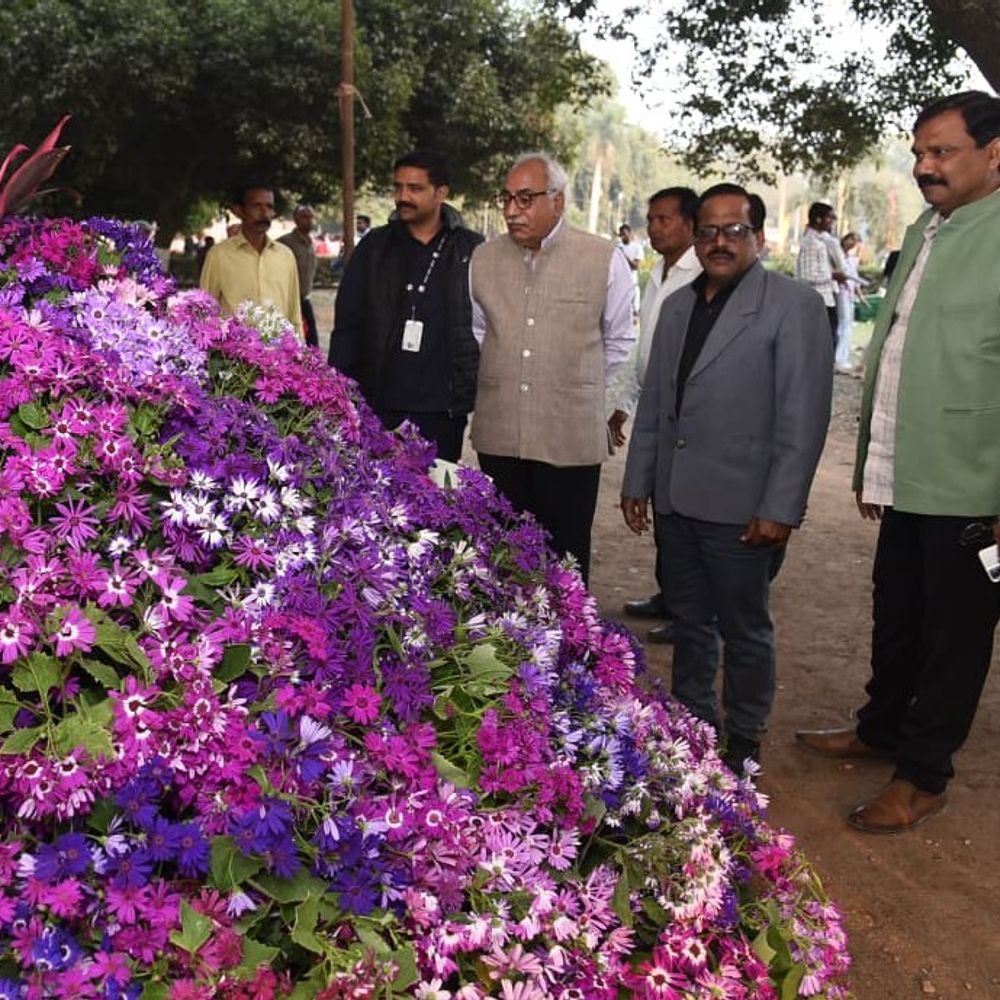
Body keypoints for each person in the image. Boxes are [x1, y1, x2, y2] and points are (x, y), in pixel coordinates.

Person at [796, 91, 1000, 834]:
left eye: (942, 152)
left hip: (974, 484)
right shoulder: (926, 229)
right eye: (919, 153)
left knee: (956, 633)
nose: (925, 167)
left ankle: (923, 776)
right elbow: (902, 349)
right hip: (908, 470)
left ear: (995, 152)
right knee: (898, 611)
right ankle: (881, 726)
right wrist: (870, 466)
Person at [621, 183, 832, 775]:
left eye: (734, 229)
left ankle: (744, 736)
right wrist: (639, 481)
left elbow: (803, 416)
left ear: (759, 238)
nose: (719, 241)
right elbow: (660, 402)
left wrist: (782, 506)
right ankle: (692, 724)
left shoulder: (793, 306)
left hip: (744, 509)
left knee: (744, 629)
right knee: (689, 622)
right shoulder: (680, 305)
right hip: (676, 500)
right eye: (708, 230)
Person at [470, 152, 634, 586]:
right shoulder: (482, 259)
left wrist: (585, 395)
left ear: (557, 201)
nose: (510, 210)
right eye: (506, 198)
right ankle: (508, 647)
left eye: (525, 198)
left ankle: (570, 648)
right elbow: (479, 332)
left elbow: (619, 342)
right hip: (499, 436)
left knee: (565, 558)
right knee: (503, 555)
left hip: (571, 440)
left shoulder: (603, 258)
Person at [327, 149, 482, 462]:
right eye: (398, 187)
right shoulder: (374, 247)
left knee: (437, 501)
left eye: (415, 188)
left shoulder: (470, 249)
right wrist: (338, 393)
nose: (402, 196)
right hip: (379, 405)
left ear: (441, 193)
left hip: (443, 411)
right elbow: (347, 325)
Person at [609, 187, 702, 643]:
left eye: (665, 219)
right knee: (663, 509)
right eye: (652, 219)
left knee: (684, 509)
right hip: (655, 405)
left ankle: (693, 613)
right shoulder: (656, 274)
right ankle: (671, 595)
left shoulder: (702, 273)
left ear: (690, 223)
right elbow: (643, 348)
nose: (655, 228)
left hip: (688, 410)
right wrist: (623, 404)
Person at [200, 185, 302, 331]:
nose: (264, 213)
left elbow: (294, 315)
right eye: (257, 206)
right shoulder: (219, 255)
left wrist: (299, 350)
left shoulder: (285, 256)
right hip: (234, 351)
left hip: (278, 351)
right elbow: (205, 311)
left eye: (269, 207)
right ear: (239, 211)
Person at [796, 202, 846, 350]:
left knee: (829, 342)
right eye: (829, 218)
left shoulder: (821, 240)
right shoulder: (810, 242)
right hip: (817, 300)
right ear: (818, 219)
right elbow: (806, 275)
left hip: (827, 298)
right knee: (820, 345)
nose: (832, 222)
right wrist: (832, 276)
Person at [278, 204, 319, 348]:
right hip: (289, 300)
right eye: (304, 217)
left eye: (311, 217)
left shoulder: (310, 243)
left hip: (305, 299)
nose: (308, 221)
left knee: (312, 342)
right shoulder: (285, 243)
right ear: (296, 219)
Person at [834, 231, 867, 374]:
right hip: (841, 292)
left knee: (848, 325)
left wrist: (861, 297)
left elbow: (855, 280)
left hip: (850, 295)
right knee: (843, 324)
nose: (852, 245)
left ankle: (844, 356)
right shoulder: (838, 255)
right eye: (851, 241)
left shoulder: (852, 259)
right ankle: (839, 358)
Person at [618, 223, 643, 313]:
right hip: (620, 286)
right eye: (621, 235)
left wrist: (623, 256)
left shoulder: (637, 248)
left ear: (629, 233)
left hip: (632, 285)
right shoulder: (618, 247)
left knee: (633, 313)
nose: (623, 237)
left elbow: (635, 266)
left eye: (624, 234)